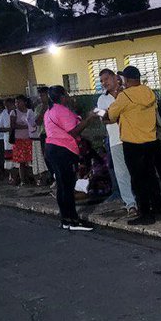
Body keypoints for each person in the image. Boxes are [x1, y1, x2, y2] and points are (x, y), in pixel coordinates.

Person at [107, 65, 161, 225]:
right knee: (152, 177)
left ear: (126, 80)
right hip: (151, 141)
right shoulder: (148, 92)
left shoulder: (124, 96)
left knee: (138, 180)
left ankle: (146, 214)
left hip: (133, 144)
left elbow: (111, 116)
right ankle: (159, 210)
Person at [43, 85, 99, 231]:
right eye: (66, 94)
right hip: (63, 150)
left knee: (62, 186)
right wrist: (89, 119)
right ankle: (73, 220)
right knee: (67, 186)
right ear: (62, 96)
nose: (68, 96)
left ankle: (65, 219)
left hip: (52, 149)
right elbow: (74, 131)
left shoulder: (50, 110)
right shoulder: (62, 110)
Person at [97, 68, 137, 217]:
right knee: (122, 173)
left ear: (115, 78)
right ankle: (130, 204)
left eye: (106, 79)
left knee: (136, 170)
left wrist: (112, 115)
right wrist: (111, 115)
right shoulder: (102, 99)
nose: (104, 83)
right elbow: (103, 117)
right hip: (115, 139)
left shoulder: (127, 93)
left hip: (133, 137)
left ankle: (142, 199)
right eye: (101, 81)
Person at [7, 95, 36, 186]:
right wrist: (26, 126)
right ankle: (23, 180)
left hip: (29, 138)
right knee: (22, 161)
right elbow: (13, 125)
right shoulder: (14, 112)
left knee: (30, 160)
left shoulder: (29, 111)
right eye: (16, 102)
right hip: (19, 139)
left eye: (19, 102)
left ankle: (30, 178)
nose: (17, 104)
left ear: (24, 102)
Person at [31, 87, 53, 187]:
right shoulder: (39, 108)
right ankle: (52, 176)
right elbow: (38, 122)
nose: (41, 97)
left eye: (43, 95)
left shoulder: (55, 105)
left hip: (54, 134)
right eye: (40, 96)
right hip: (44, 134)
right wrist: (44, 109)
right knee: (47, 157)